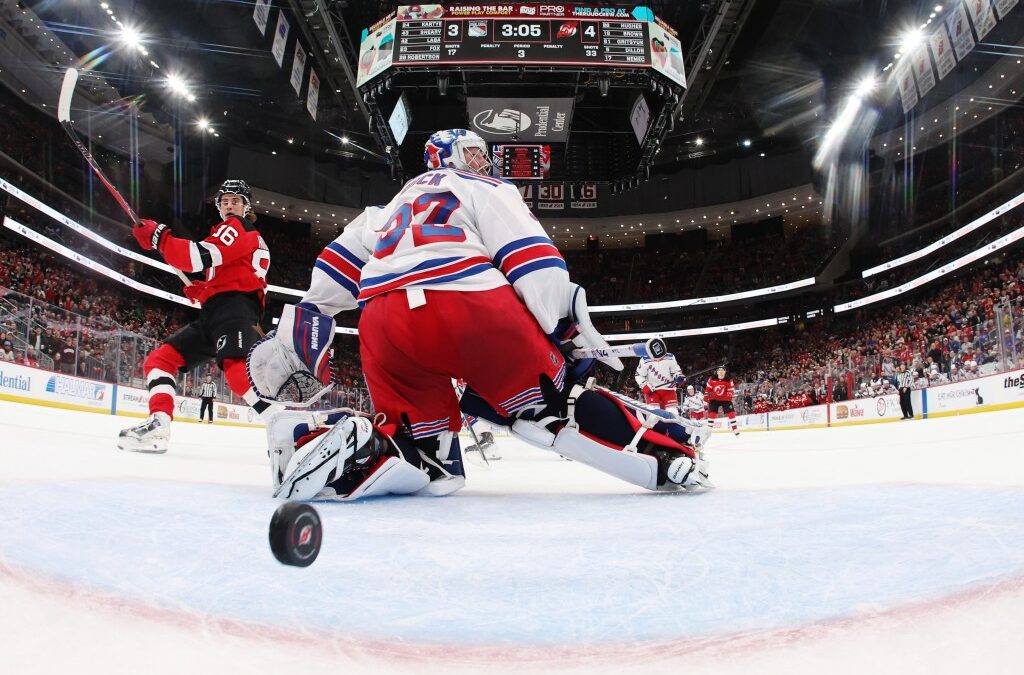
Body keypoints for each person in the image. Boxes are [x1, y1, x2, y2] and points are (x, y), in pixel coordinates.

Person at [246, 128, 711, 501]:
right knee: (551, 403)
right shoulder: (485, 187)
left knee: (430, 460)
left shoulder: (385, 208)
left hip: (383, 325)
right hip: (467, 305)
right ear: (447, 156)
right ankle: (665, 452)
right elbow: (531, 259)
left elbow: (334, 269)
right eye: (473, 152)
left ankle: (342, 442)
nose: (483, 162)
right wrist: (563, 329)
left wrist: (307, 320)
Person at [117, 179, 274, 453]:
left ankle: (290, 426)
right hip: (216, 312)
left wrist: (159, 237)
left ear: (246, 206)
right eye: (224, 202)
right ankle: (159, 424)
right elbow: (235, 273)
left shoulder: (237, 227)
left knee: (237, 371)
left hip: (236, 309)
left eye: (235, 201)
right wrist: (206, 290)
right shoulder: (234, 233)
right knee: (160, 360)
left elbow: (195, 257)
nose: (229, 206)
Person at [706, 366, 739, 435]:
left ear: (725, 372)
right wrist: (706, 396)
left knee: (731, 413)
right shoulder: (712, 378)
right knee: (712, 413)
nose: (721, 372)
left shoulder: (728, 379)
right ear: (717, 372)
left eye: (722, 370)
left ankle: (735, 428)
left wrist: (726, 395)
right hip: (714, 399)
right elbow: (708, 389)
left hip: (725, 399)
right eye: (719, 370)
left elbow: (731, 391)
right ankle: (708, 429)